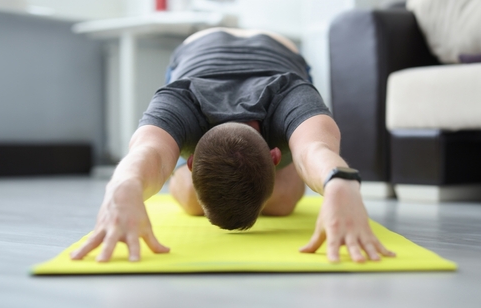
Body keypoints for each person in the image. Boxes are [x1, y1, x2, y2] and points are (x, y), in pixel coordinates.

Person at [70, 28, 396, 263]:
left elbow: (316, 152)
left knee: (279, 202)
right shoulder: (179, 97)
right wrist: (124, 187)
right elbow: (147, 154)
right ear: (274, 155)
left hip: (276, 48)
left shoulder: (290, 92)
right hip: (199, 48)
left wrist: (340, 184)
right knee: (220, 198)